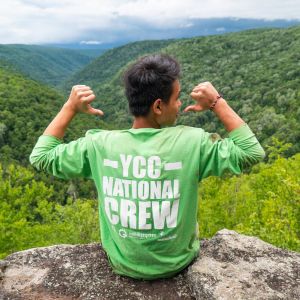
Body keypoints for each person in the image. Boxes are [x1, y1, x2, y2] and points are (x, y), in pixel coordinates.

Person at [30, 54, 265, 280]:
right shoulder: (192, 142)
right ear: (158, 107)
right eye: (178, 97)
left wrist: (70, 107)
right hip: (177, 262)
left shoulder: (99, 145)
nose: (181, 103)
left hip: (123, 263)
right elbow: (251, 151)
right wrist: (216, 102)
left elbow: (42, 156)